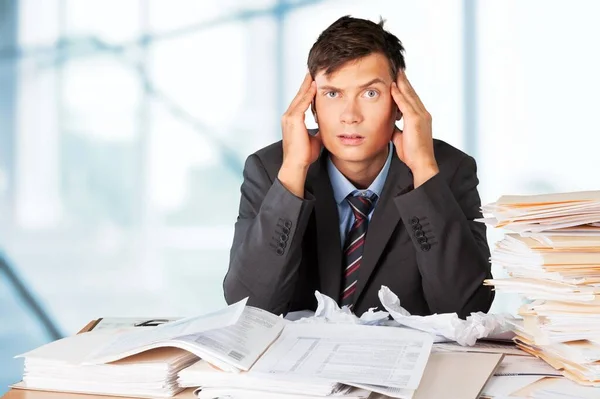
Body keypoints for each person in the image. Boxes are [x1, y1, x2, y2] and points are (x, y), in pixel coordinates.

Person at [223, 15, 494, 319]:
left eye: (370, 93)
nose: (350, 116)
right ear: (312, 104)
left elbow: (468, 310)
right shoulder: (272, 170)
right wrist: (293, 174)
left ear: (399, 103)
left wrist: (423, 171)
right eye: (332, 94)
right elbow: (247, 310)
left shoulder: (447, 170)